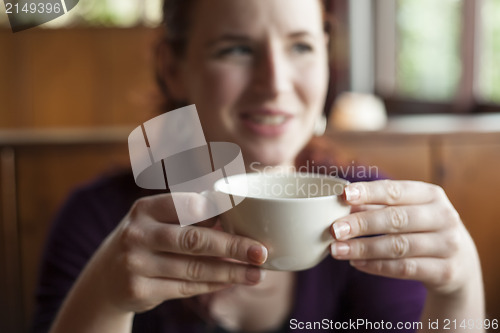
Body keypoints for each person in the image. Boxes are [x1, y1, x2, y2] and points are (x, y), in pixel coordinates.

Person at [32, 0, 485, 332]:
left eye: (301, 46)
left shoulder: (366, 212)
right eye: (236, 49)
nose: (275, 83)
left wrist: (459, 288)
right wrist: (106, 297)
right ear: (174, 68)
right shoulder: (97, 222)